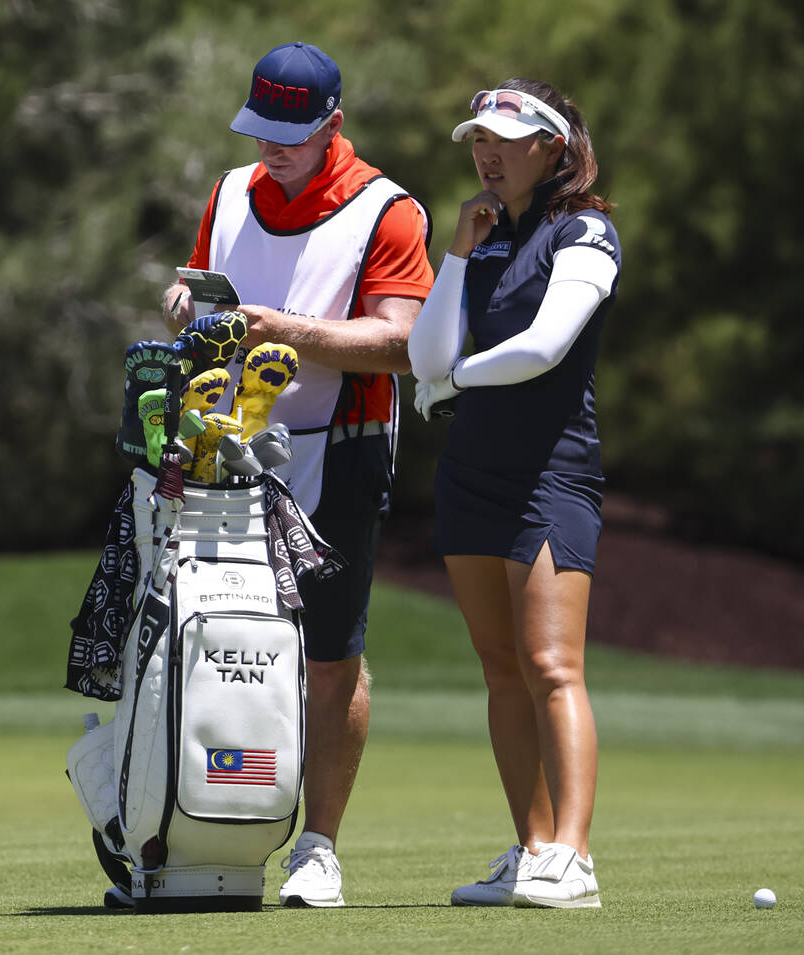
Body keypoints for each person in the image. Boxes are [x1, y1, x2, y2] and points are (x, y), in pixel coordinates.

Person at [160, 41, 434, 908]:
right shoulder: (231, 191)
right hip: (223, 438)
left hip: (341, 442)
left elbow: (401, 344)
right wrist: (185, 303)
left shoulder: (386, 210)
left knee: (329, 649)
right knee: (209, 630)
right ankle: (207, 824)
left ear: (332, 126)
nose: (270, 148)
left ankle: (319, 844)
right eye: (260, 129)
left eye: (290, 133)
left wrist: (291, 330)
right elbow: (212, 297)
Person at [406, 79, 620, 909]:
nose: (485, 153)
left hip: (550, 471)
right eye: (477, 139)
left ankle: (574, 856)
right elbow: (427, 356)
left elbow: (544, 345)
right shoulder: (486, 235)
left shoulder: (587, 231)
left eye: (505, 137)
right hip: (472, 471)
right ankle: (532, 848)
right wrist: (456, 252)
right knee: (501, 668)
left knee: (550, 665)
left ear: (554, 146)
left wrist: (458, 376)